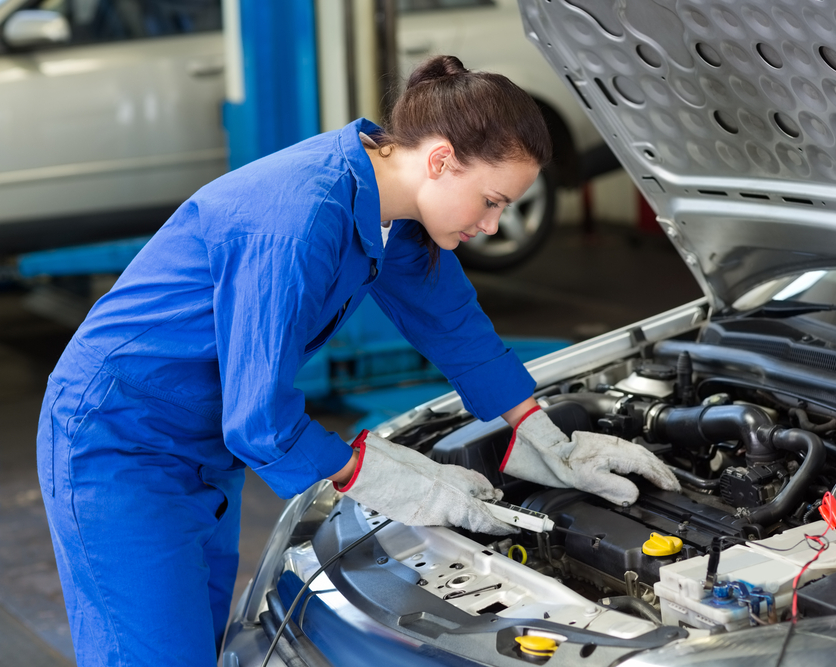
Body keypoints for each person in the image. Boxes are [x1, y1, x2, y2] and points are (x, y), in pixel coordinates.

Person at [36, 55, 679, 667]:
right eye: (491, 201)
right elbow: (258, 419)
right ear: (442, 160)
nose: (493, 225)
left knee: (197, 645)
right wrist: (380, 477)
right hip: (119, 443)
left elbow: (454, 324)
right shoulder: (300, 218)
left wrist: (540, 432)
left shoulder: (383, 206)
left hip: (200, 447)